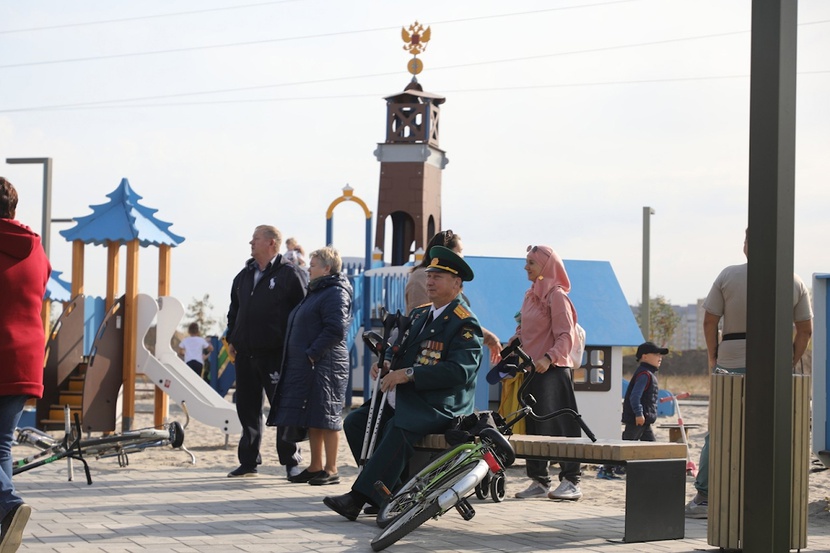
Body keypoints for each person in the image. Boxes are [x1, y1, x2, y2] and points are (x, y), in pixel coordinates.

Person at [323, 246, 484, 520]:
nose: (429, 281)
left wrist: (408, 374)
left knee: (399, 425)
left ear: (456, 284)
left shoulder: (464, 323)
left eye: (438, 277)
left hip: (441, 403)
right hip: (412, 397)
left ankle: (358, 498)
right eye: (429, 275)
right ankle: (389, 494)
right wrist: (387, 364)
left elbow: (459, 372)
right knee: (356, 421)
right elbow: (402, 351)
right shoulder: (421, 315)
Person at [685, 231, 813, 518]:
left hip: (731, 361)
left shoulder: (728, 275)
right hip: (774, 363)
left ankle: (705, 496)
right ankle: (771, 496)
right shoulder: (794, 280)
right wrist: (789, 361)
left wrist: (713, 356)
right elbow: (805, 330)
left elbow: (709, 321)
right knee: (773, 428)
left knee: (720, 429)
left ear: (746, 246)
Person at [226, 225, 308, 479]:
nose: (251, 243)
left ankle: (291, 461)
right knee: (247, 408)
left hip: (276, 354)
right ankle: (248, 461)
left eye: (256, 239)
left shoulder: (289, 274)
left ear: (271, 243)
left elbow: (302, 311)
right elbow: (234, 310)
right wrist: (232, 338)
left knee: (282, 407)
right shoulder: (243, 275)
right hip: (245, 354)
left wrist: (295, 346)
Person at [269, 246, 353, 486]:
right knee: (314, 415)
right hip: (311, 365)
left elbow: (336, 329)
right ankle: (316, 466)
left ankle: (331, 469)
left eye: (313, 265)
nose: (308, 268)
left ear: (327, 268)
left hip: (326, 365)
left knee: (328, 416)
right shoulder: (317, 291)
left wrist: (313, 353)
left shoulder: (335, 292)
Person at [0, 177, 51, 552]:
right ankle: (5, 524)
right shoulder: (37, 249)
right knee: (1, 445)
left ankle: (9, 504)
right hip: (26, 358)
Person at [513, 245, 584, 501]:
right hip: (532, 370)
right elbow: (524, 329)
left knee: (560, 425)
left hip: (552, 370)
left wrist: (549, 357)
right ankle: (539, 481)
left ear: (545, 267)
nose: (526, 267)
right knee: (535, 425)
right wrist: (514, 342)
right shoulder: (530, 295)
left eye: (531, 262)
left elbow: (566, 334)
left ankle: (571, 481)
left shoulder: (557, 296)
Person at [406, 230, 501, 364]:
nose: (462, 257)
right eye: (459, 252)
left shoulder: (451, 281)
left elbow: (458, 317)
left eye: (436, 277)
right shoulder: (420, 278)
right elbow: (421, 324)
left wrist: (488, 336)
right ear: (446, 252)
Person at [622, 342, 668, 441]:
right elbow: (635, 396)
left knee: (651, 447)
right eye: (656, 354)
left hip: (645, 420)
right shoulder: (644, 374)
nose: (660, 357)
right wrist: (639, 413)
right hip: (638, 420)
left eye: (660, 355)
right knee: (628, 445)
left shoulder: (649, 373)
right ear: (645, 357)